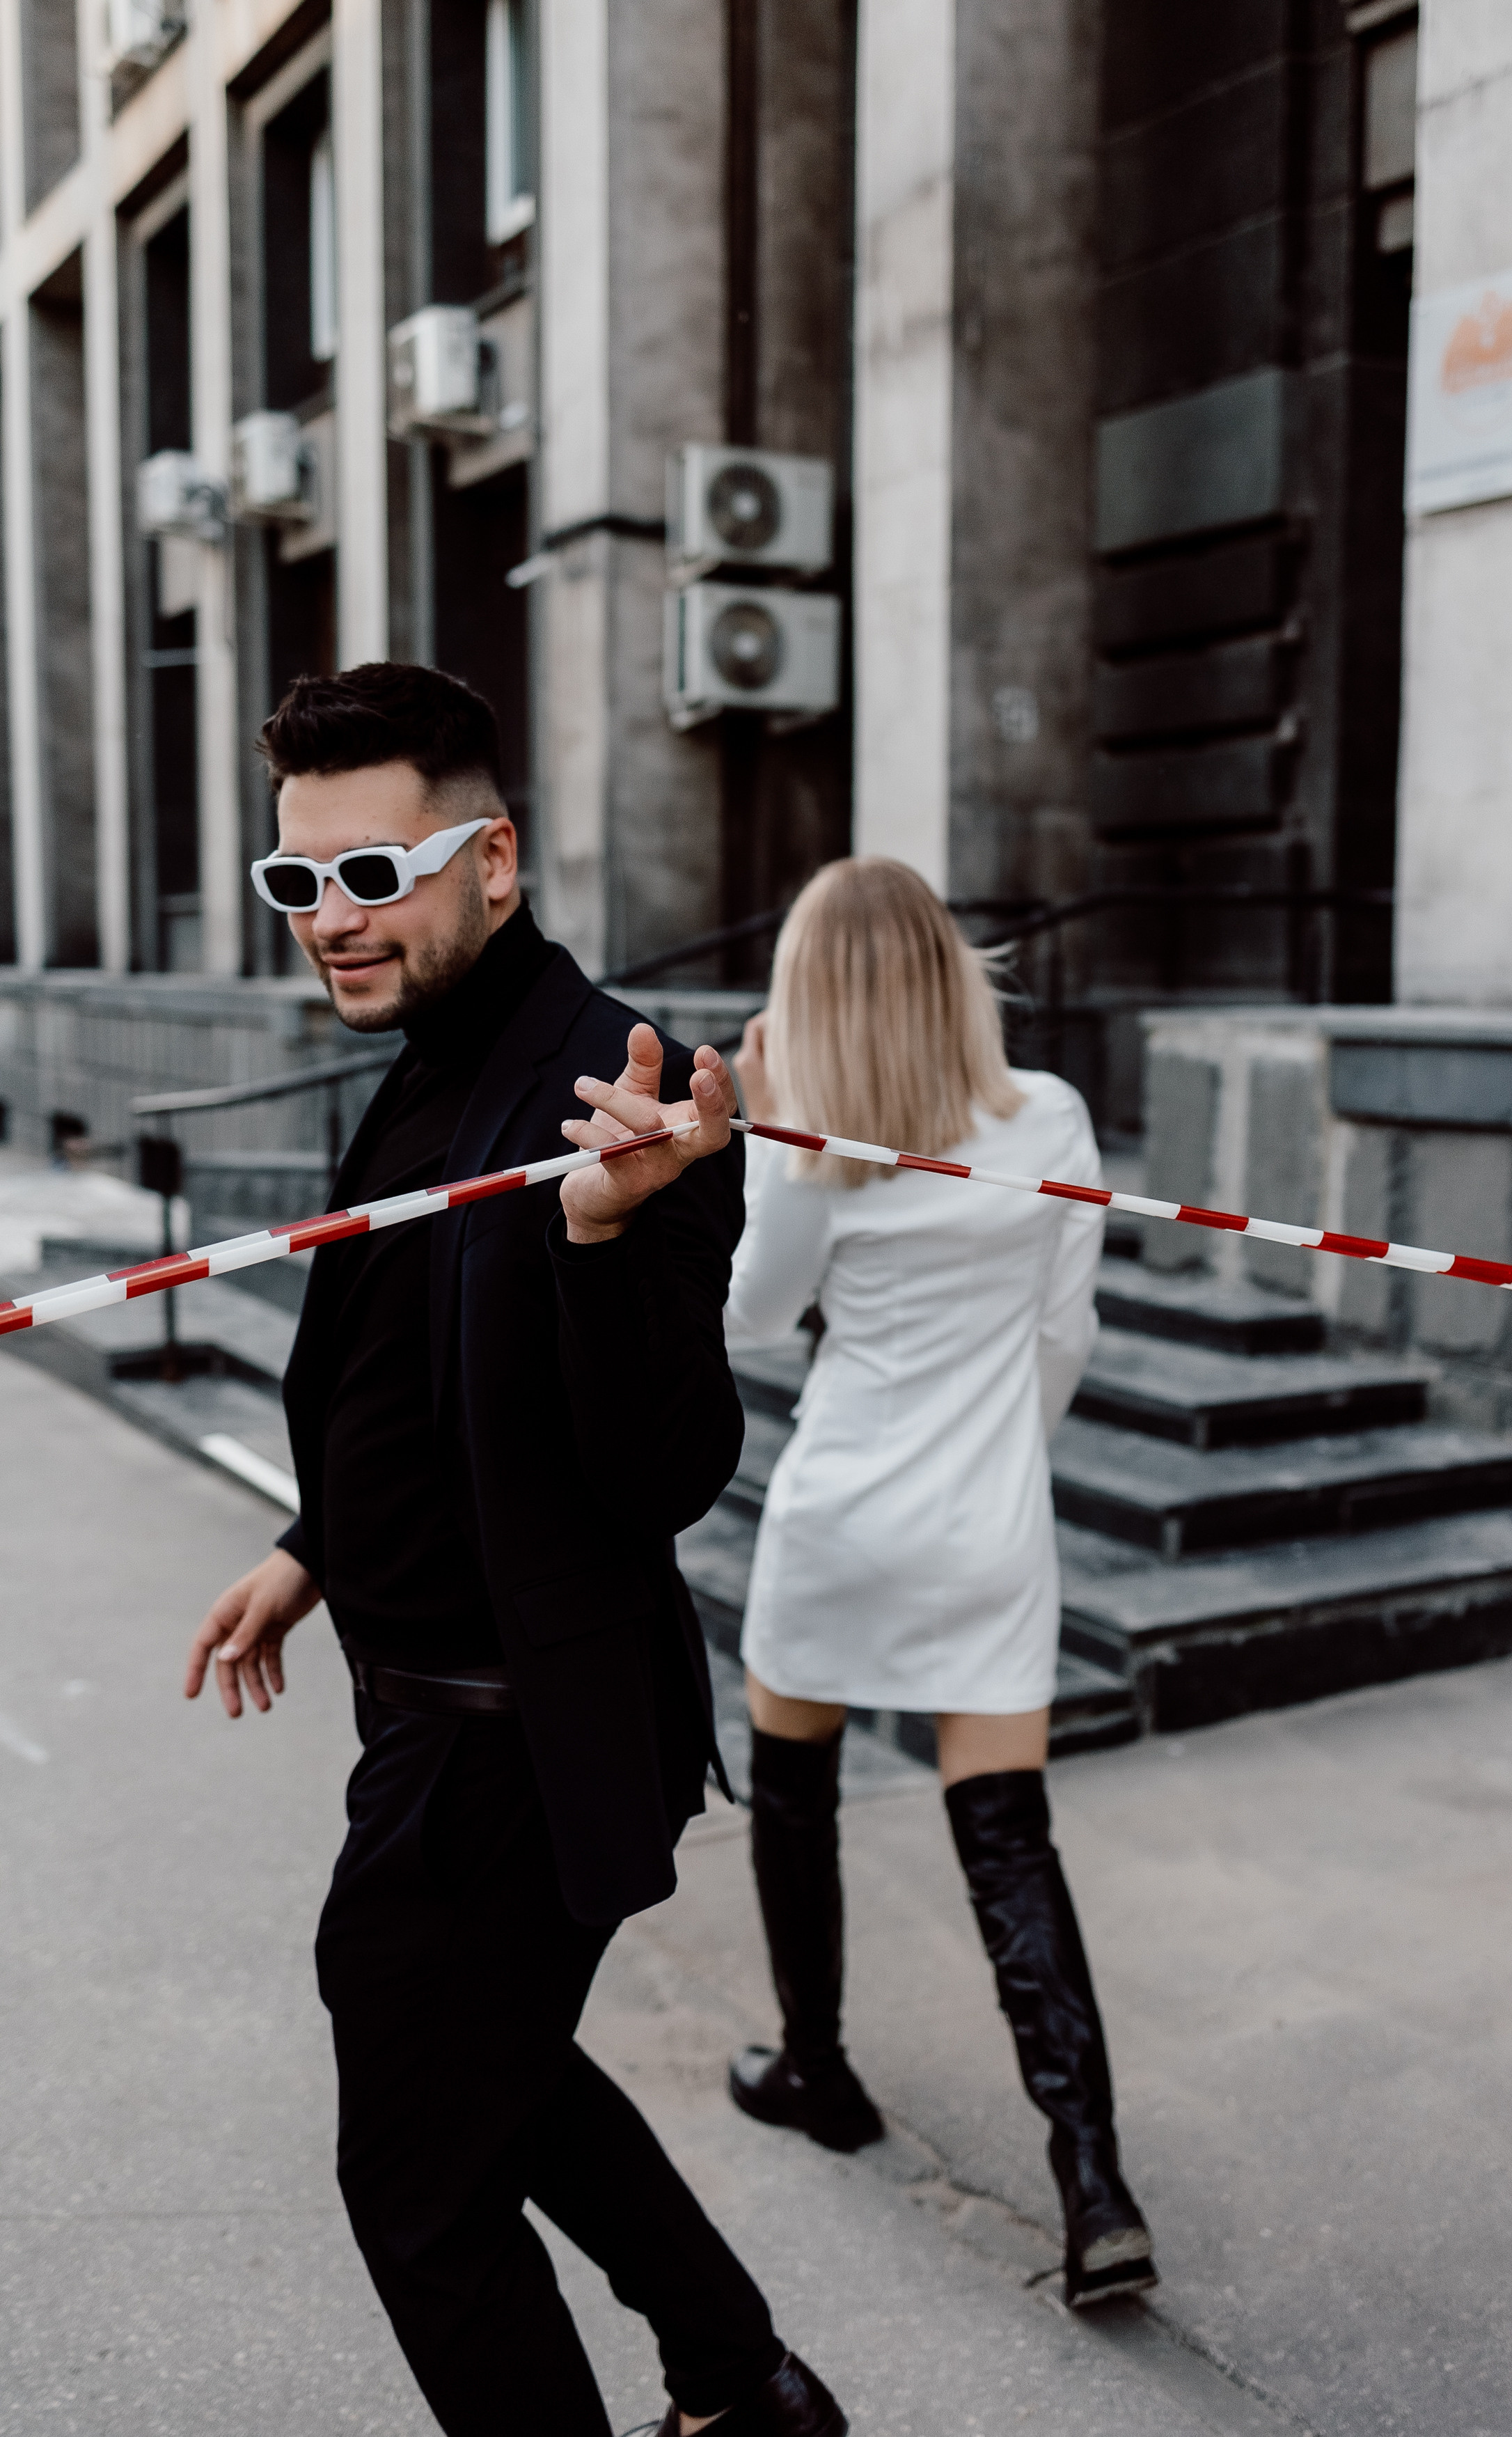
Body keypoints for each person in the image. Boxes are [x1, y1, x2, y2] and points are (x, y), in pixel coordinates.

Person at [183, 663, 846, 2437]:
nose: (334, 921)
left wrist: (610, 1239)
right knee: (481, 2067)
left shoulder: (613, 1092)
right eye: (298, 881)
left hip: (513, 1737)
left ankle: (740, 2379)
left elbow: (660, 1471)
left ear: (496, 859)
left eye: (373, 873)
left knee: (421, 2185)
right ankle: (742, 2381)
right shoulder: (426, 1060)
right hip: (421, 1706)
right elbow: (415, 1372)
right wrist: (315, 1545)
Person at [723, 856, 1156, 2310]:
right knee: (1009, 1836)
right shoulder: (1052, 1118)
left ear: (811, 999)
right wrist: (1001, 1471)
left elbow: (759, 1322)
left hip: (842, 1508)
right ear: (953, 970)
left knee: (796, 1787)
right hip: (986, 1518)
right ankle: (1093, 2181)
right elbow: (1066, 1329)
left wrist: (772, 1138)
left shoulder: (813, 1142)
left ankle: (817, 2066)